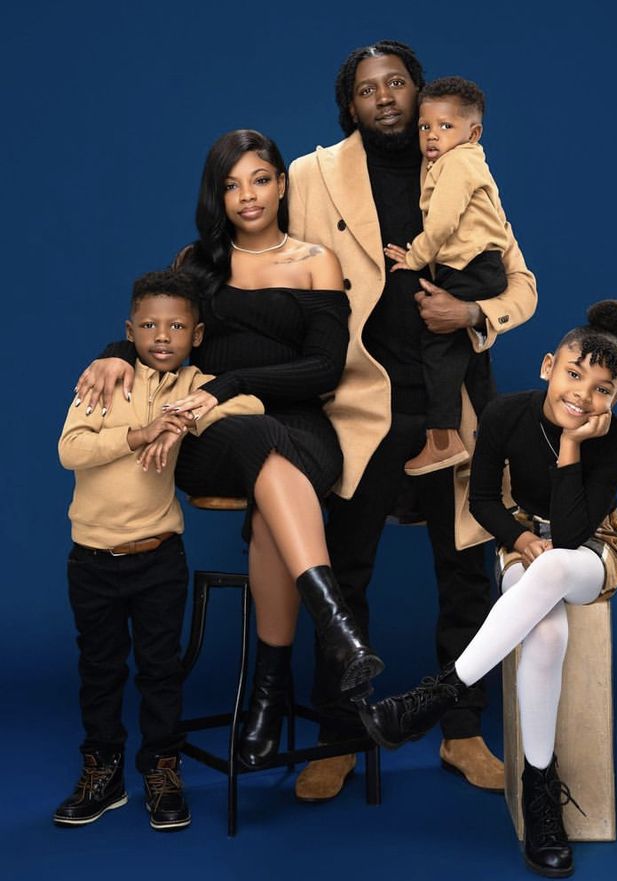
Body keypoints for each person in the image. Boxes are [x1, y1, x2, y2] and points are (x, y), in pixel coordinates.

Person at [72, 129, 384, 773]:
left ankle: (267, 697)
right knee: (251, 441)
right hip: (206, 433)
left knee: (271, 469)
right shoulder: (197, 262)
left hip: (299, 429)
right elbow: (159, 334)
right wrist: (110, 354)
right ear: (216, 194)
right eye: (232, 183)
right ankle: (334, 625)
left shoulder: (314, 261)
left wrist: (233, 383)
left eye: (260, 179)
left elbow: (324, 370)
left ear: (281, 184)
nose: (247, 195)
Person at [287, 39, 538, 801]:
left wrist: (472, 311)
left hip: (455, 402)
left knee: (463, 571)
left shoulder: (461, 161)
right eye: (368, 89)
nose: (385, 98)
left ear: (422, 95)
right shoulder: (310, 175)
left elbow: (519, 283)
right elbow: (259, 264)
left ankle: (462, 731)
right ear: (349, 103)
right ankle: (339, 733)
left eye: (397, 83)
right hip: (358, 401)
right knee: (343, 570)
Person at [358, 300, 617, 878]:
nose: (584, 395)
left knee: (557, 569)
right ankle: (541, 793)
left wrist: (572, 446)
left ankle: (436, 694)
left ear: (615, 399)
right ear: (547, 367)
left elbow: (575, 530)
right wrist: (516, 536)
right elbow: (482, 499)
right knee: (545, 634)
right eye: (574, 374)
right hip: (522, 542)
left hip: (591, 550)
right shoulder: (506, 415)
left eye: (603, 389)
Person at [55, 270, 266, 830]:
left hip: (158, 558)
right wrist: (139, 433)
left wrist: (184, 415)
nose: (162, 336)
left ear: (196, 335)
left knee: (159, 671)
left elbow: (250, 408)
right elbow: (70, 449)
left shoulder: (197, 383)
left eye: (176, 326)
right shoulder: (107, 379)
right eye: (149, 325)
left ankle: (161, 770)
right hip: (93, 559)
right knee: (99, 669)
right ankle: (101, 772)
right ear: (130, 331)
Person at [383, 76, 509, 477]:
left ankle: (442, 439)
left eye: (445, 127)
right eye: (425, 127)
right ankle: (496, 444)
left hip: (472, 268)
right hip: (478, 266)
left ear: (473, 133)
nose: (432, 136)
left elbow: (441, 223)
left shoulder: (458, 162)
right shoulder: (458, 161)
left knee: (437, 345)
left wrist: (415, 257)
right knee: (473, 362)